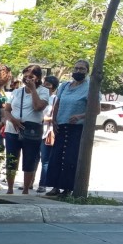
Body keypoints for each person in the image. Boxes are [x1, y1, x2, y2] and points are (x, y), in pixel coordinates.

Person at [45, 59, 91, 198]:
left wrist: (79, 116)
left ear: (87, 71)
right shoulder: (64, 86)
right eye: (76, 68)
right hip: (61, 125)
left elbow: (96, 109)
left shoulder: (90, 87)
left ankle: (67, 189)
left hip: (77, 128)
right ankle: (55, 187)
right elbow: (57, 104)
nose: (78, 71)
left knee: (70, 158)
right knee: (56, 156)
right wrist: (54, 121)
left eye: (82, 69)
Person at [3, 64, 49, 194]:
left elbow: (38, 107)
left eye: (31, 76)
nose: (28, 78)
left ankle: (25, 190)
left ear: (38, 78)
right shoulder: (16, 92)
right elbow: (6, 111)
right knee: (11, 159)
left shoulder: (43, 91)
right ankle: (10, 189)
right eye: (26, 76)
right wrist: (13, 120)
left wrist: (33, 90)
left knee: (29, 159)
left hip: (32, 132)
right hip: (12, 130)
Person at [36, 75, 59, 193]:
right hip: (34, 131)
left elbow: (55, 117)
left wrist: (45, 119)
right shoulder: (38, 96)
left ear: (54, 88)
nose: (45, 86)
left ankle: (42, 184)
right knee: (32, 158)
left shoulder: (55, 99)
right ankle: (28, 183)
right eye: (44, 84)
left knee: (45, 160)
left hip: (46, 133)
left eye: (48, 85)